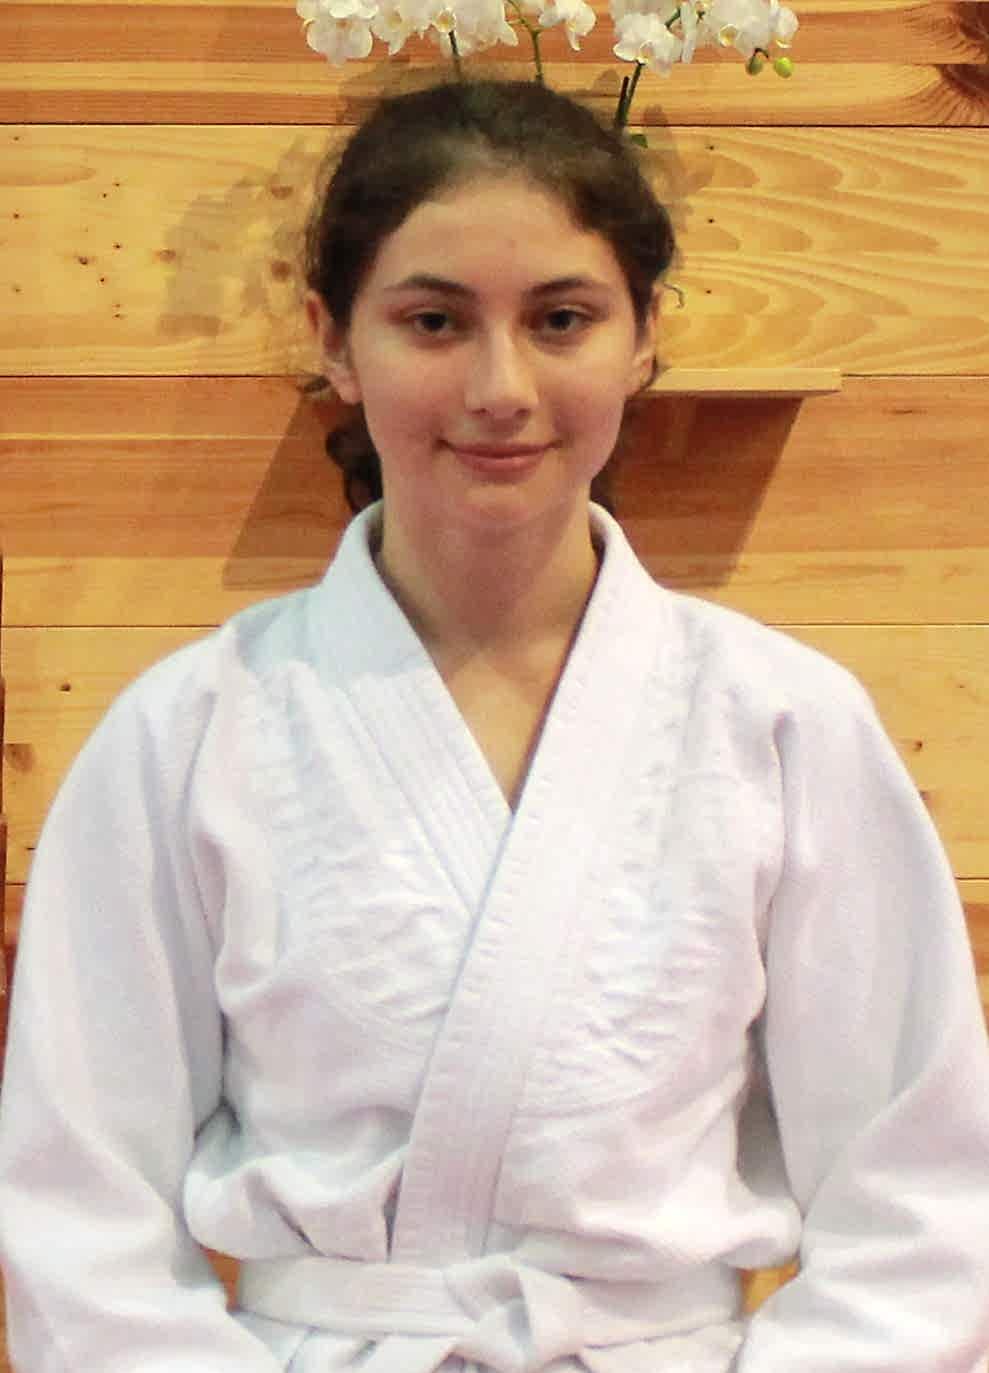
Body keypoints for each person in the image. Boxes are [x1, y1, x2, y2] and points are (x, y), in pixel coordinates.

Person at [1, 76, 987, 1373]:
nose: (500, 386)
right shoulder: (188, 732)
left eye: (561, 319)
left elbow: (919, 1201)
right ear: (335, 341)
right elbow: (83, 1215)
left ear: (643, 338)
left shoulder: (782, 724)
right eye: (433, 321)